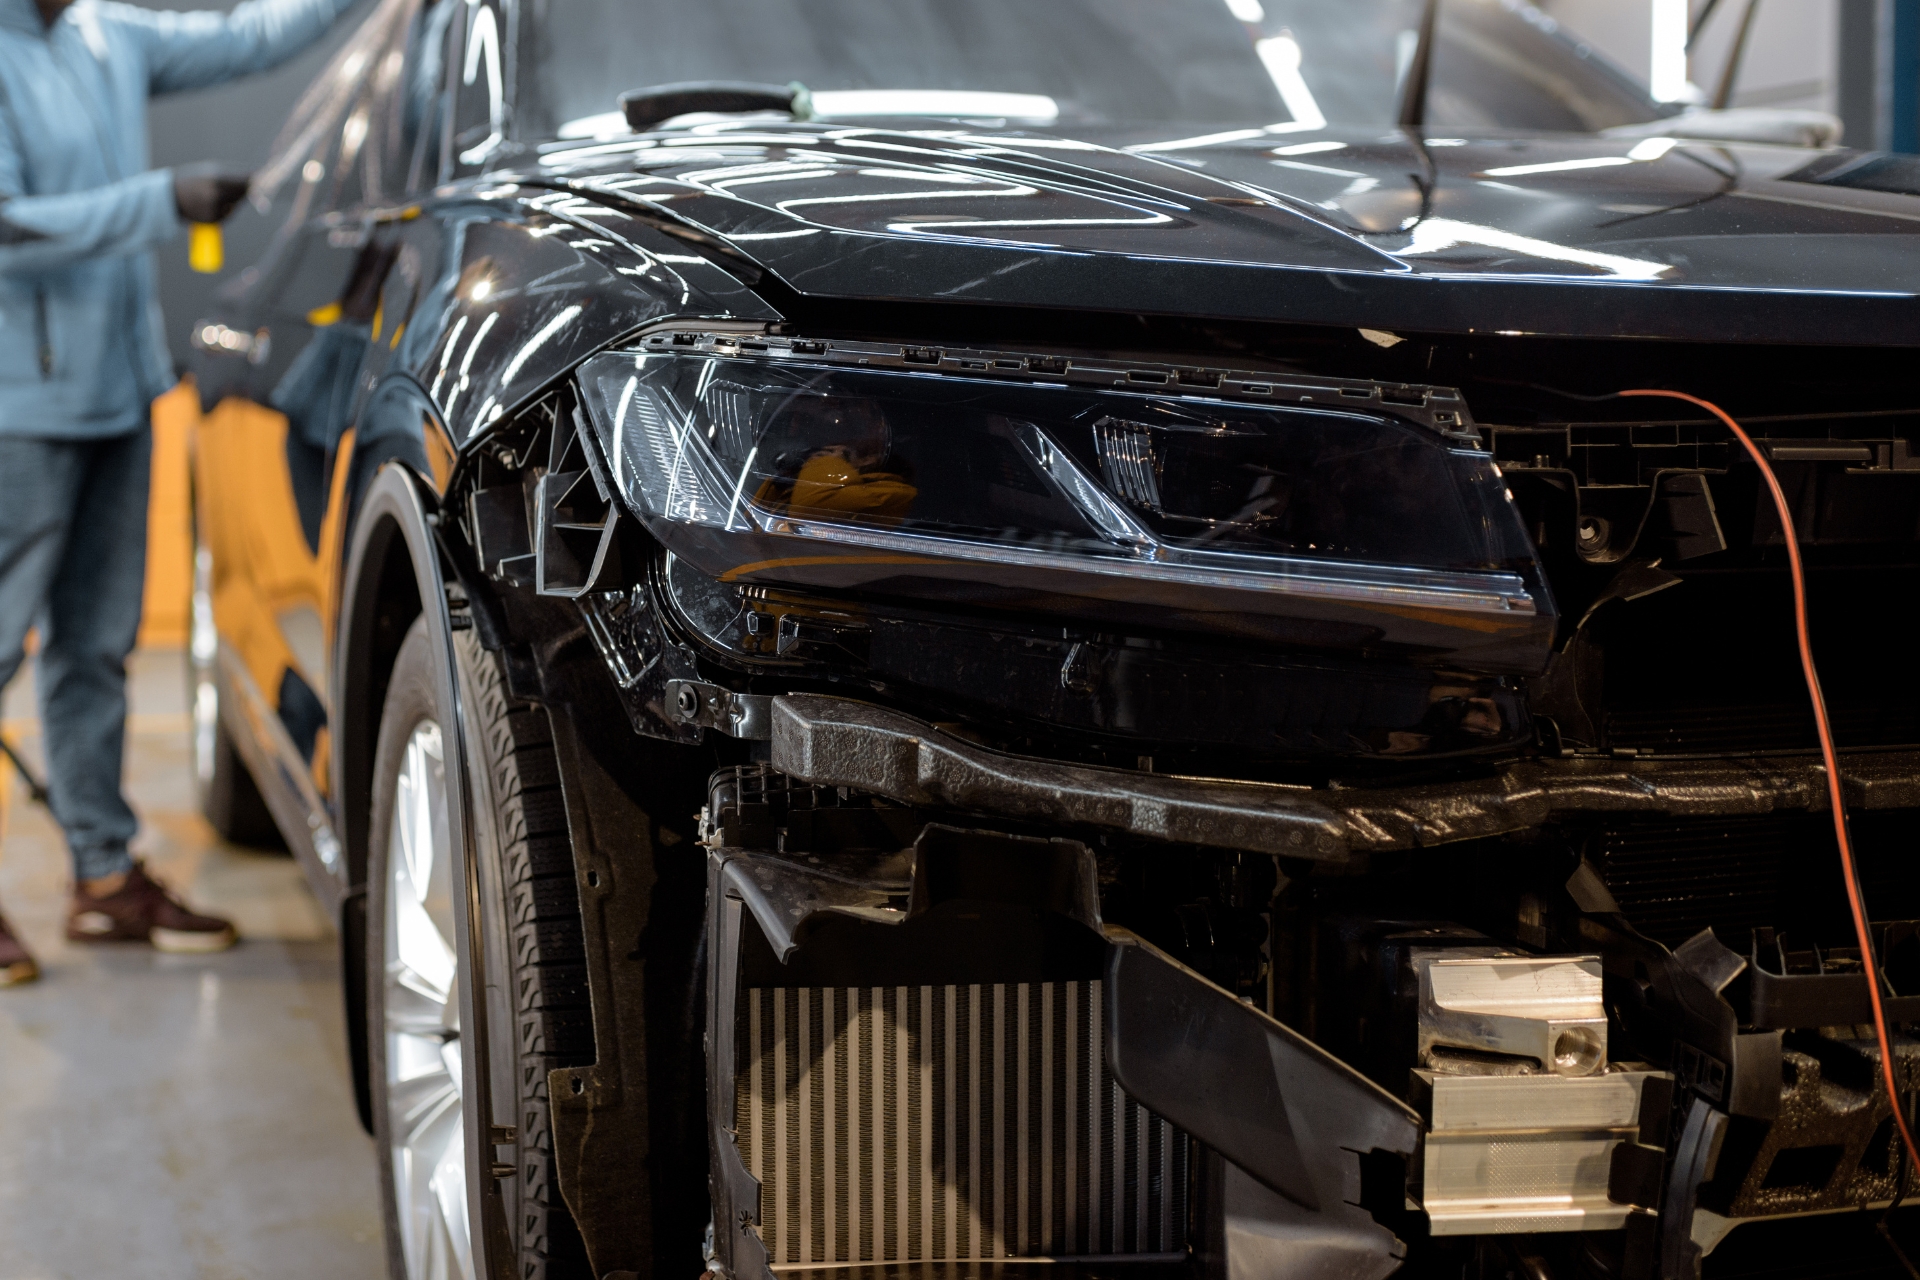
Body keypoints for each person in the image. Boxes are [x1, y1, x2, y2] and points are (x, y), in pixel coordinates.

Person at [0, 0, 361, 987]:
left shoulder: (106, 34)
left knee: (96, 647)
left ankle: (104, 878)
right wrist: (163, 199)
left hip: (120, 396)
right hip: (17, 411)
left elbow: (253, 36)